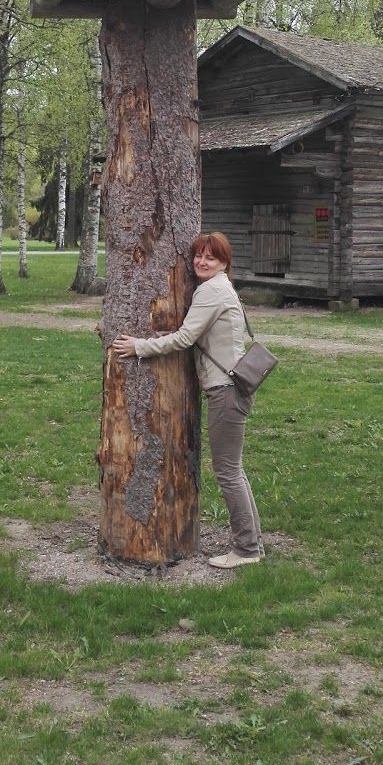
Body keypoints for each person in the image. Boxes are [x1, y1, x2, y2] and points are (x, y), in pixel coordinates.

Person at [112, 231, 263, 570]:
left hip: (226, 390)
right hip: (232, 387)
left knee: (228, 472)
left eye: (211, 257)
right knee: (233, 470)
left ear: (224, 262)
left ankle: (247, 548)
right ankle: (251, 543)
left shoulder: (211, 291)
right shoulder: (222, 287)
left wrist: (139, 346)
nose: (201, 262)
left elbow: (184, 338)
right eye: (198, 255)